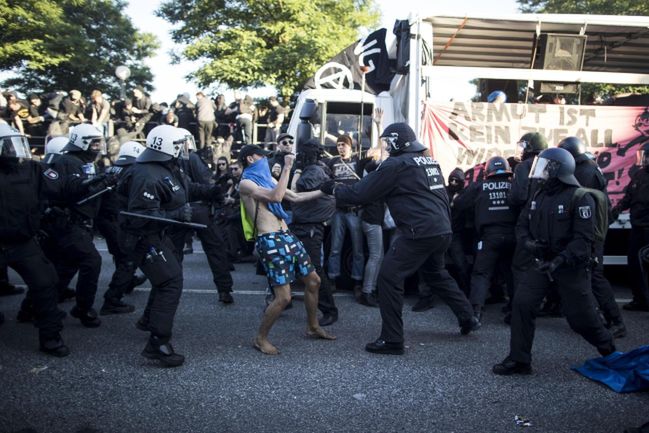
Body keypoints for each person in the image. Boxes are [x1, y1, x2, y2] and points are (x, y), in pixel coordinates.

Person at [321, 123, 479, 355]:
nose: (385, 146)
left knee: (388, 278)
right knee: (437, 275)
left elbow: (361, 193)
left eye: (387, 141)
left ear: (397, 142)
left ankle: (392, 339)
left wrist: (333, 189)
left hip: (419, 232)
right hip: (441, 229)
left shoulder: (396, 164)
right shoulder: (428, 160)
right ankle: (468, 318)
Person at [493, 147, 615, 375]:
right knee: (522, 303)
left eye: (545, 167)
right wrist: (528, 244)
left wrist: (560, 260)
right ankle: (519, 360)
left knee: (581, 318)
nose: (540, 172)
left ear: (559, 170)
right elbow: (521, 226)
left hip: (570, 267)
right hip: (542, 263)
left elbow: (583, 241)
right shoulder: (539, 195)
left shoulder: (580, 198)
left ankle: (610, 351)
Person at [119, 125, 220, 367]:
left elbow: (188, 189)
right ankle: (158, 343)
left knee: (167, 279)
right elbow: (140, 217)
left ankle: (149, 321)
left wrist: (216, 190)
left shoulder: (168, 168)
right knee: (170, 281)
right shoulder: (146, 174)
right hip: (144, 238)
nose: (184, 150)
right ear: (165, 146)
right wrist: (178, 213)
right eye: (179, 145)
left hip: (158, 236)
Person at [0, 124, 103, 356]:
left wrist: (90, 183)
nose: (13, 150)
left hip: (22, 241)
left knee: (46, 283)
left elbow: (60, 188)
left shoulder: (31, 169)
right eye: (6, 145)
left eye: (14, 144)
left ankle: (50, 336)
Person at [238, 144, 335, 355]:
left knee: (314, 281)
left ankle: (312, 326)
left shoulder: (266, 178)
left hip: (286, 234)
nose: (265, 159)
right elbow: (276, 197)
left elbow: (296, 197)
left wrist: (324, 190)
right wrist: (287, 168)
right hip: (270, 240)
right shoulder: (246, 182)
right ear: (250, 159)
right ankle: (260, 338)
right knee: (283, 298)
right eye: (261, 156)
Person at [40, 124, 108, 328]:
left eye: (99, 142)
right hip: (70, 224)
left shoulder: (85, 161)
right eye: (93, 142)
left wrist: (104, 183)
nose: (97, 146)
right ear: (81, 141)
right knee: (91, 262)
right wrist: (94, 182)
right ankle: (83, 308)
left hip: (81, 224)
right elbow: (66, 190)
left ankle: (34, 307)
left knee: (65, 268)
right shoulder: (67, 161)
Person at [558, 136, 626, 337]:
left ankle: (616, 321)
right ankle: (596, 317)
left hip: (591, 232)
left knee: (594, 276)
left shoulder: (585, 172)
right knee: (586, 276)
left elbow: (580, 201)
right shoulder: (587, 167)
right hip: (590, 230)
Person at [168, 128, 235, 304]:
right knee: (215, 249)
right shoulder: (192, 157)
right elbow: (206, 184)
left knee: (174, 252)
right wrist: (219, 196)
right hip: (200, 209)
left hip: (177, 211)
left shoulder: (168, 160)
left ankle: (169, 290)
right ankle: (224, 289)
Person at [455, 156, 517, 322]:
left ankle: (475, 314)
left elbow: (460, 204)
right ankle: (515, 312)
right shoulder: (514, 185)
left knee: (481, 273)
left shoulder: (480, 186)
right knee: (512, 273)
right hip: (513, 236)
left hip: (489, 237)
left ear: (487, 171)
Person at [289, 139, 339, 325]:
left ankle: (329, 310)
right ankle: (281, 300)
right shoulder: (318, 168)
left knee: (314, 269)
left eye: (301, 154)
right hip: (304, 224)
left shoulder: (314, 171)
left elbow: (294, 190)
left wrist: (298, 170)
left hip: (310, 227)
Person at [612, 141, 649, 312]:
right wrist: (617, 209)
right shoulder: (639, 175)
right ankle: (640, 299)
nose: (644, 160)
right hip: (637, 227)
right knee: (634, 264)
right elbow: (628, 197)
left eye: (646, 156)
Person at [326, 134, 365, 295]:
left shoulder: (358, 161)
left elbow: (378, 152)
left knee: (358, 249)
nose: (341, 147)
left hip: (354, 211)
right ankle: (332, 280)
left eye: (344, 144)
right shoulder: (333, 162)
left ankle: (357, 282)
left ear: (350, 146)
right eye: (338, 145)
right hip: (338, 211)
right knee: (335, 248)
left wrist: (378, 124)